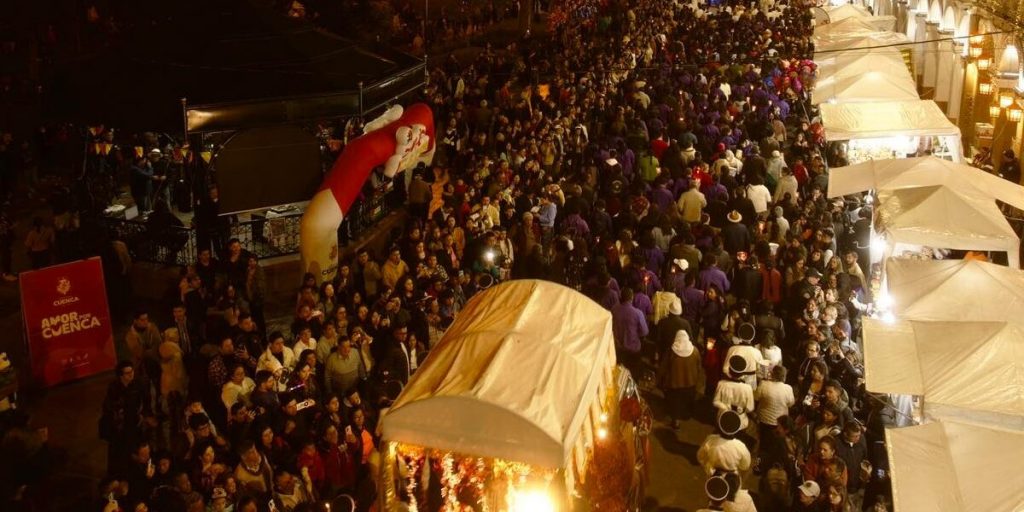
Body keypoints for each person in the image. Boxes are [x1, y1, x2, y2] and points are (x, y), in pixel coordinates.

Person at [100, 361, 155, 475]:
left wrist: (144, 416)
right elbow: (109, 408)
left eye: (132, 371)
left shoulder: (139, 385)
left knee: (137, 450)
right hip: (120, 427)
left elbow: (146, 402)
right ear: (121, 375)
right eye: (127, 373)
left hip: (135, 424)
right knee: (120, 452)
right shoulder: (114, 388)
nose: (131, 375)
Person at [656, 330, 702, 428]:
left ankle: (675, 421)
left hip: (674, 383)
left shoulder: (671, 351)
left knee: (675, 403)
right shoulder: (695, 351)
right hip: (690, 382)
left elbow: (663, 367)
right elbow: (699, 367)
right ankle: (684, 415)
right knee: (685, 401)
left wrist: (659, 379)